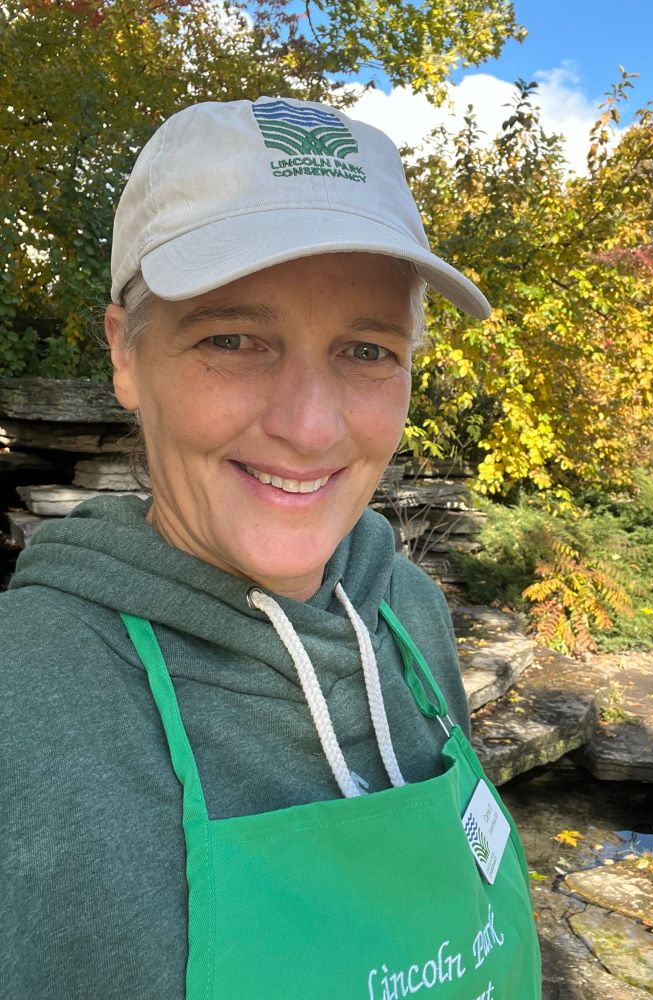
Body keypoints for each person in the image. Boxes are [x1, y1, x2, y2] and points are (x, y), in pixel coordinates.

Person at [1, 97, 541, 999]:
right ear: (125, 356)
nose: (308, 424)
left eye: (366, 351)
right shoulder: (25, 695)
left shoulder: (407, 610)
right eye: (234, 339)